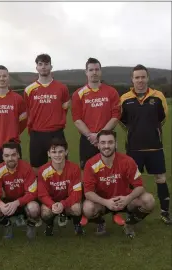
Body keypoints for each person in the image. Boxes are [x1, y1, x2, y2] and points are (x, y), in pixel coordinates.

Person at [71, 57, 122, 226]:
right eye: (91, 70)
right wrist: (91, 136)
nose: (94, 72)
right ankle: (88, 209)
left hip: (107, 140)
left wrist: (101, 135)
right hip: (88, 140)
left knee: (112, 174)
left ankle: (115, 210)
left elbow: (116, 115)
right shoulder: (78, 94)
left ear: (101, 71)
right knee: (87, 174)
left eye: (97, 69)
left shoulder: (111, 92)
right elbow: (77, 119)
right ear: (86, 72)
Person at [120, 64, 171, 224]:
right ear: (132, 79)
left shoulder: (158, 96)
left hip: (155, 147)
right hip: (134, 148)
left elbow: (162, 119)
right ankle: (131, 211)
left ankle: (165, 212)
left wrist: (151, 130)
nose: (140, 80)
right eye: (137, 77)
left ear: (147, 78)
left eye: (143, 77)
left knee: (161, 178)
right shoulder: (125, 99)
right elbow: (123, 122)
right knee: (131, 182)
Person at [82, 130, 155, 238]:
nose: (106, 146)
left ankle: (129, 224)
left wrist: (128, 198)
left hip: (125, 200)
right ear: (98, 145)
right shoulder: (91, 164)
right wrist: (106, 202)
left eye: (110, 142)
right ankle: (100, 222)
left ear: (115, 144)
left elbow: (139, 186)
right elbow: (88, 193)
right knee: (87, 208)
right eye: (103, 143)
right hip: (103, 202)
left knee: (149, 200)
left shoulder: (127, 161)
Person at [24, 54, 70, 172]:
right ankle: (40, 191)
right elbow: (29, 110)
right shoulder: (29, 89)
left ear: (51, 66)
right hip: (37, 134)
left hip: (56, 133)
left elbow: (64, 108)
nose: (43, 67)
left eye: (46, 64)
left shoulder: (62, 88)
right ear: (36, 68)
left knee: (61, 167)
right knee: (37, 169)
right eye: (40, 64)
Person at [0, 142, 40, 240]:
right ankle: (7, 225)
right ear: (3, 156)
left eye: (13, 155)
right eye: (7, 155)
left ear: (18, 155)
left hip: (24, 202)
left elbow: (32, 192)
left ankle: (31, 225)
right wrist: (1, 204)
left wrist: (17, 202)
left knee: (34, 208)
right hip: (7, 203)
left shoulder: (27, 168)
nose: (10, 158)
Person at [0, 65, 27, 177]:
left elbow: (23, 122)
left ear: (8, 77)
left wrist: (13, 133)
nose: (1, 78)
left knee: (15, 178)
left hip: (13, 145)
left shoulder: (18, 99)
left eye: (4, 76)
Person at [38, 137, 84, 236]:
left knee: (77, 208)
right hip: (52, 202)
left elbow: (76, 193)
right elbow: (42, 194)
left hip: (67, 201)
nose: (57, 155)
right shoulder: (43, 170)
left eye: (60, 152)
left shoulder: (74, 168)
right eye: (54, 152)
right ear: (48, 154)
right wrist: (52, 204)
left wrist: (63, 204)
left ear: (66, 152)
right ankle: (49, 225)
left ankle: (77, 224)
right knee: (45, 212)